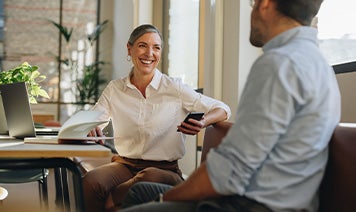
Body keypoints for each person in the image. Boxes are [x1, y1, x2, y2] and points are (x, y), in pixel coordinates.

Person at [119, 0, 341, 211]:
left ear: (265, 4)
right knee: (140, 192)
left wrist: (162, 200)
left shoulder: (279, 64)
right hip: (286, 199)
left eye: (252, 3)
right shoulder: (318, 63)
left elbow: (228, 172)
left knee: (146, 198)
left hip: (251, 205)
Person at [83, 24, 231, 212]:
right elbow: (93, 119)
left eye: (156, 47)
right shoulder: (115, 89)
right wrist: (90, 126)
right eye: (143, 45)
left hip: (165, 170)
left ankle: (112, 200)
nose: (149, 53)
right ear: (129, 49)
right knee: (91, 181)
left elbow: (223, 108)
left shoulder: (174, 88)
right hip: (124, 164)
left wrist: (203, 122)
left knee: (147, 178)